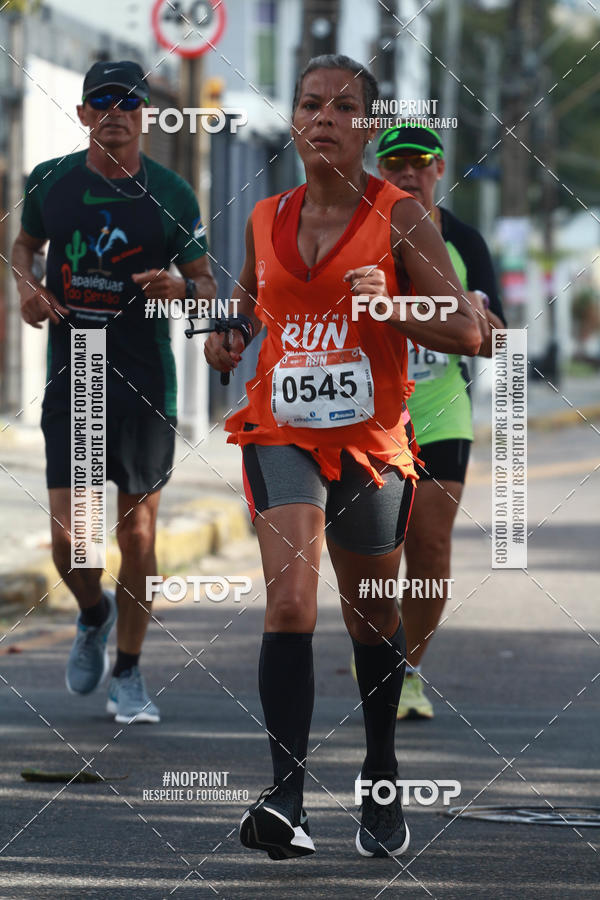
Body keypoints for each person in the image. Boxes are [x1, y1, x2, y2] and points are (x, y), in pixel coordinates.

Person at [204, 54, 481, 860]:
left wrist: (390, 306)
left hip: (370, 442)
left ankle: (381, 777)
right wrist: (231, 335)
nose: (323, 116)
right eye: (309, 104)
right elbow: (254, 307)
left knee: (372, 617)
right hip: (281, 431)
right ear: (293, 121)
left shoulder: (399, 217)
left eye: (342, 106)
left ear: (364, 127)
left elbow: (466, 330)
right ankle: (285, 797)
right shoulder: (265, 216)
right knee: (291, 602)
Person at [12, 60, 216, 724]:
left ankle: (128, 672)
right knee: (72, 544)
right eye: (102, 101)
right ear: (82, 114)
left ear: (145, 114)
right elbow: (22, 242)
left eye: (129, 102)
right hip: (78, 370)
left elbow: (207, 286)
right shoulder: (51, 180)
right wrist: (28, 287)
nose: (116, 113)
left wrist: (182, 290)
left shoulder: (173, 194)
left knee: (140, 532)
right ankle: (94, 614)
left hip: (145, 376)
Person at [374, 123, 506, 718]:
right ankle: (376, 644)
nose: (407, 174)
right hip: (373, 416)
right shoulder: (364, 235)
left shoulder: (465, 242)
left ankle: (407, 670)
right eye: (395, 164)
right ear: (380, 170)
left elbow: (496, 338)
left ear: (438, 169)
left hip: (441, 413)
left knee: (429, 547)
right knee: (379, 553)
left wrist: (482, 322)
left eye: (418, 163)